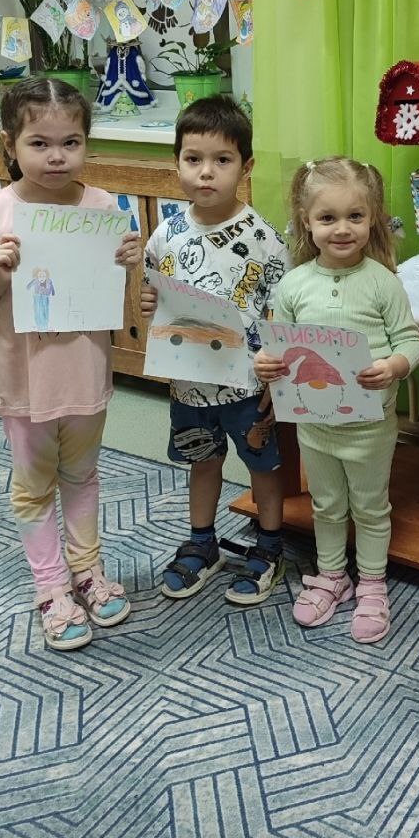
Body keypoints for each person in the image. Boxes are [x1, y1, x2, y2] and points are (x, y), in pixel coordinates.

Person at [0, 77, 141, 652]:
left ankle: (88, 571)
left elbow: (111, 289)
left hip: (86, 375)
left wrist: (129, 260)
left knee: (82, 476)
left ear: (86, 144)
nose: (57, 156)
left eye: (71, 142)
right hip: (25, 383)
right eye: (40, 143)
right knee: (33, 488)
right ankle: (52, 588)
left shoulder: (102, 207)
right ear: (10, 144)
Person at [254, 157, 419, 644]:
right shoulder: (293, 284)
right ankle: (331, 575)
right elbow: (278, 346)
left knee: (370, 507)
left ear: (373, 219)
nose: (342, 229)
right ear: (306, 221)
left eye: (355, 216)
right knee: (326, 505)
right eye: (328, 218)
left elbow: (411, 341)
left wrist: (395, 365)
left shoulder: (383, 282)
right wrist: (265, 363)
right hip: (315, 426)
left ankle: (371, 582)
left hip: (370, 427)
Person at [140, 95, 291, 607]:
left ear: (246, 167)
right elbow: (156, 299)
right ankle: (202, 542)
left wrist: (277, 379)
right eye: (193, 159)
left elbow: (281, 312)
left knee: (262, 466)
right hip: (190, 384)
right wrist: (147, 302)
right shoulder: (166, 235)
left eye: (222, 160)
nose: (206, 172)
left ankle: (269, 547)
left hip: (248, 384)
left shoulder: (265, 239)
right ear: (177, 162)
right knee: (201, 462)